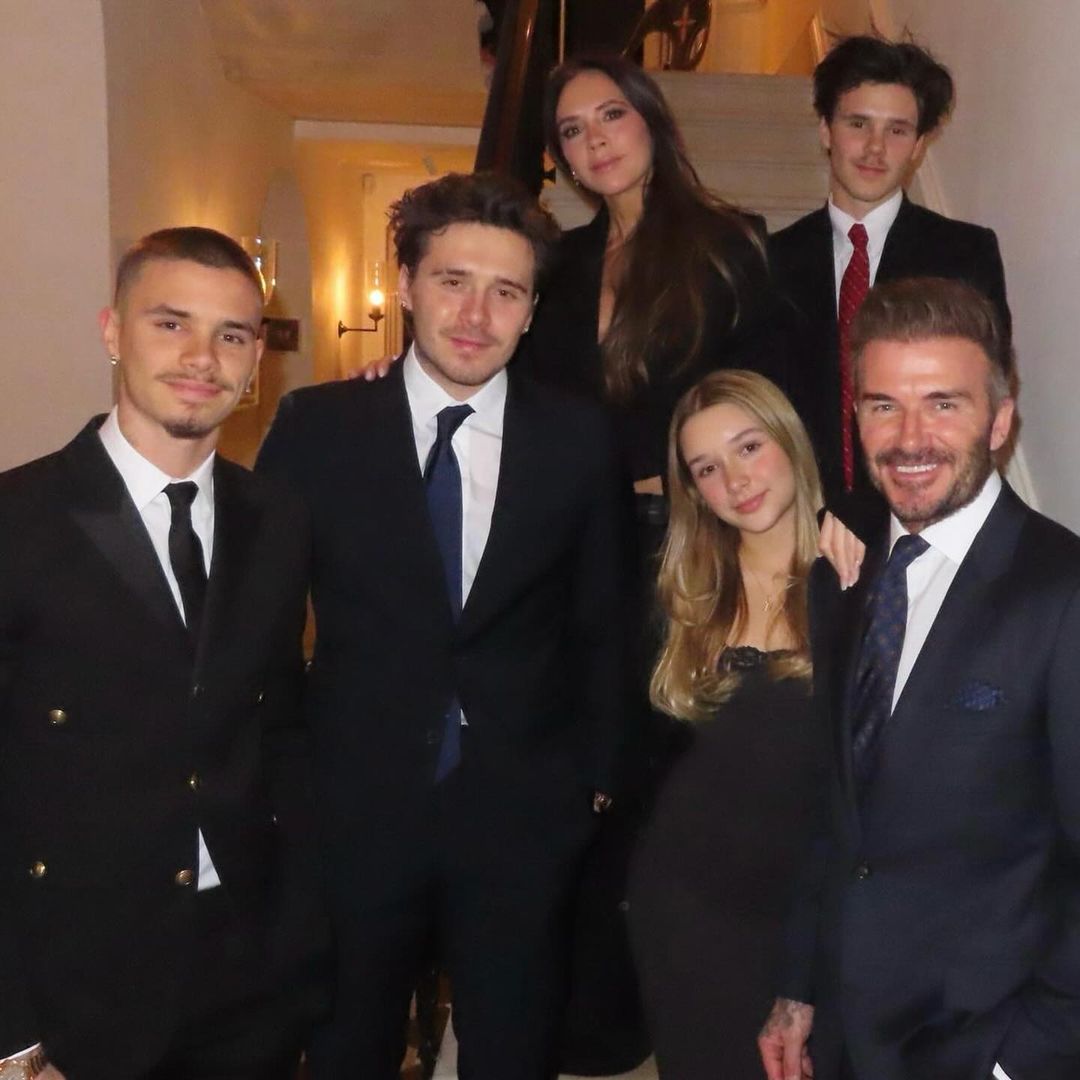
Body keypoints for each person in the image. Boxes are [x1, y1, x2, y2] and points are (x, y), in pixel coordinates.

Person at [255, 172, 629, 1080]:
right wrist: (284, 783)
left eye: (506, 291)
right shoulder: (319, 426)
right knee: (348, 1047)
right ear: (408, 286)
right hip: (355, 807)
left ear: (531, 313)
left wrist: (595, 784)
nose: (476, 314)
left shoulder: (579, 438)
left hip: (523, 814)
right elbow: (261, 622)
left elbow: (608, 618)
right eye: (453, 281)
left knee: (511, 1052)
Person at [0, 227, 324, 1080]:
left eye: (232, 334)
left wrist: (300, 938)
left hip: (249, 973)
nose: (201, 358)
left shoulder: (278, 521)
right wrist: (12, 1032)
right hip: (76, 981)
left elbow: (280, 731)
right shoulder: (18, 521)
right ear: (113, 331)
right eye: (171, 323)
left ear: (257, 360)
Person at [530, 53, 786, 1072]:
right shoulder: (557, 264)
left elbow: (768, 401)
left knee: (671, 785)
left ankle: (669, 1005)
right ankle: (588, 1016)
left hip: (686, 543)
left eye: (610, 115)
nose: (594, 140)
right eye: (572, 130)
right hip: (575, 549)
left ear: (650, 119)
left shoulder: (729, 243)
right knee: (585, 774)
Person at [759, 277, 1080, 1080]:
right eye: (883, 405)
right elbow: (836, 808)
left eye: (943, 404)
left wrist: (1027, 1057)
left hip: (985, 1042)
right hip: (848, 1033)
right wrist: (799, 987)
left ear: (1000, 420)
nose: (909, 439)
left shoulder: (1063, 592)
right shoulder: (845, 570)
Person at [626, 370, 829, 1079]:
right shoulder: (686, 589)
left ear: (789, 440)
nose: (735, 480)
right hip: (683, 909)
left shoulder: (859, 575)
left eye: (748, 447)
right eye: (707, 468)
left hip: (804, 913)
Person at [769, 35, 1011, 507]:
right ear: (826, 130)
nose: (875, 147)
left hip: (922, 503)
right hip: (803, 512)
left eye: (897, 130)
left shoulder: (965, 253)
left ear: (919, 145)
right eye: (858, 123)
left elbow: (983, 388)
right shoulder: (770, 260)